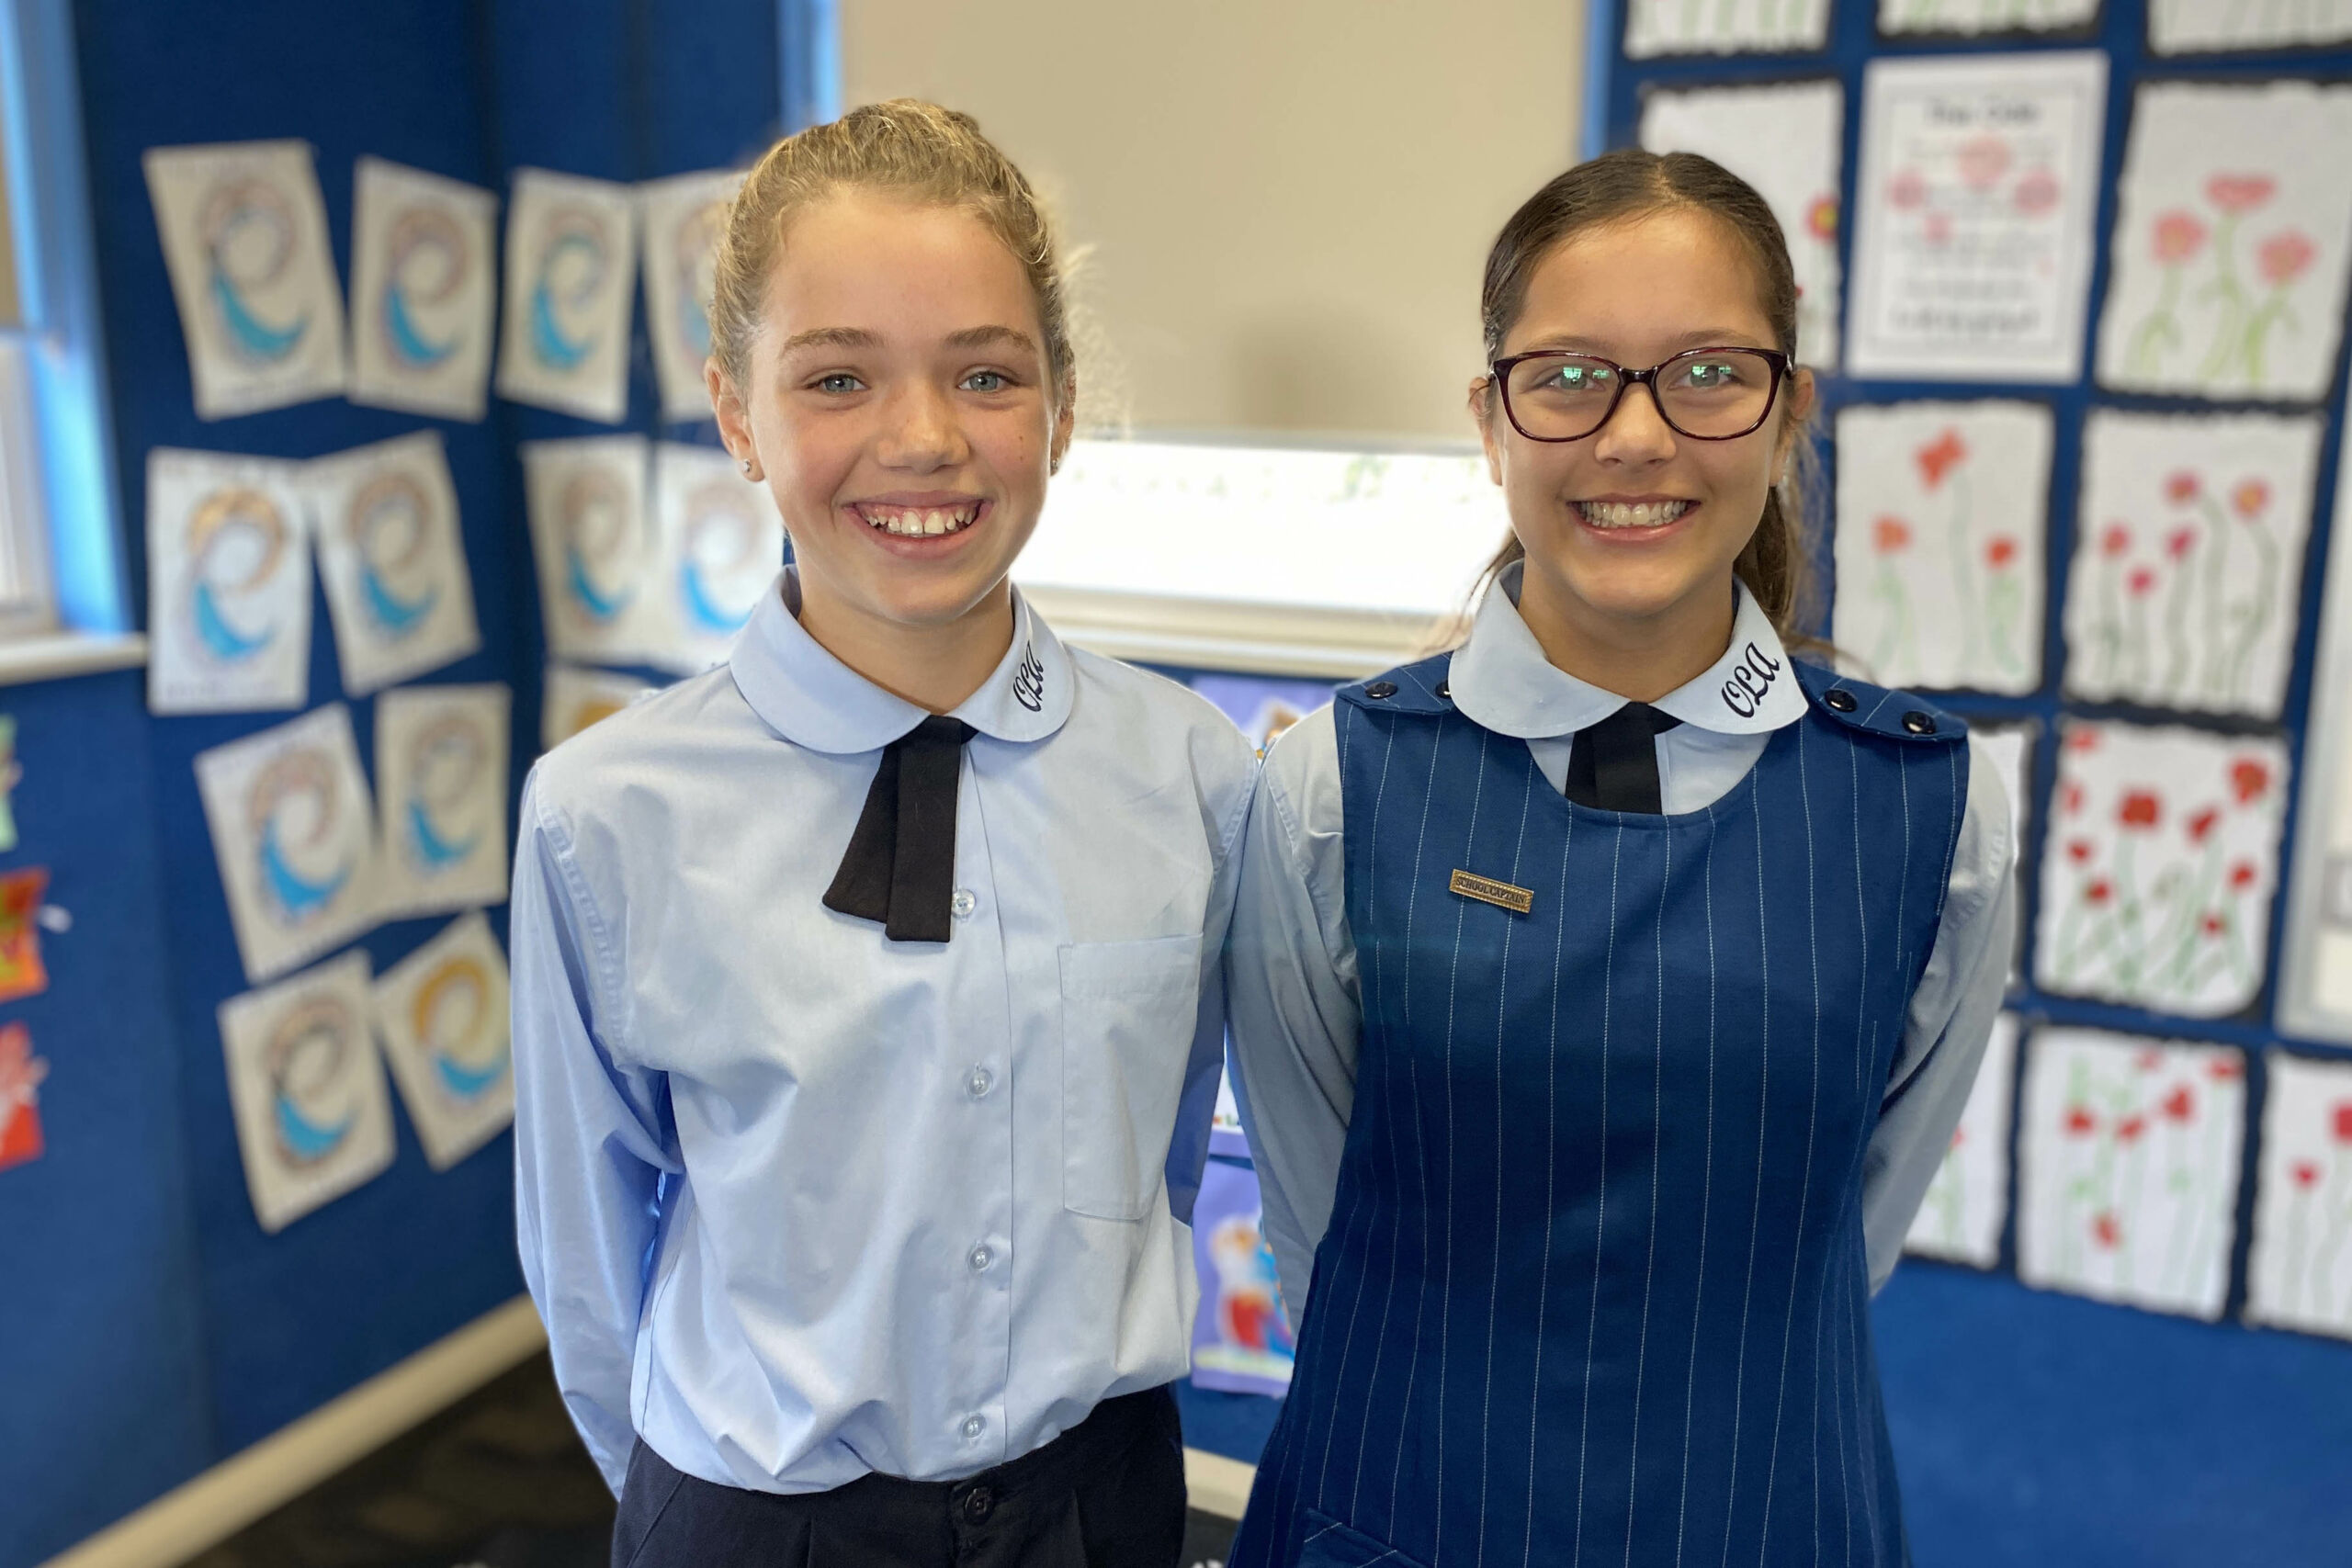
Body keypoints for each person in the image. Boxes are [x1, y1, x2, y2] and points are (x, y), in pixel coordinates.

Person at [1223, 148, 2016, 1567]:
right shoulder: (1329, 792)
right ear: (1491, 418)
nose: (1638, 438)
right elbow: (1313, 1230)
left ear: (1789, 420)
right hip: (1397, 1510)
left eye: (1709, 373)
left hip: (1769, 1515)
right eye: (1572, 376)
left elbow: (1847, 1233)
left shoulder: (1935, 812)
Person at [510, 100, 1257, 1568]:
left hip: (1094, 1508)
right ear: (738, 411)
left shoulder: (1192, 775)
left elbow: (1161, 1162)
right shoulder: (606, 814)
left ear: (1061, 401)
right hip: (755, 1516)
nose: (922, 441)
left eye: (985, 373)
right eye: (838, 377)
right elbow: (588, 1265)